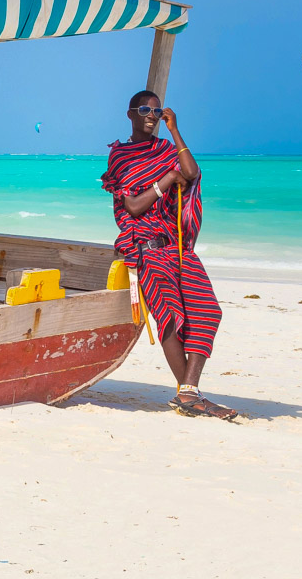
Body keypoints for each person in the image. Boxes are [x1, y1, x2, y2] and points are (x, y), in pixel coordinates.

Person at [101, 90, 237, 421]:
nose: (151, 114)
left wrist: (175, 132)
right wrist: (165, 181)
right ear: (130, 114)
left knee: (209, 311)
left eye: (156, 110)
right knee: (171, 318)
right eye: (145, 109)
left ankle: (188, 392)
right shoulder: (120, 157)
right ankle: (190, 395)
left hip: (178, 247)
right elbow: (133, 206)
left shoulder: (165, 149)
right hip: (146, 249)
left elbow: (190, 172)